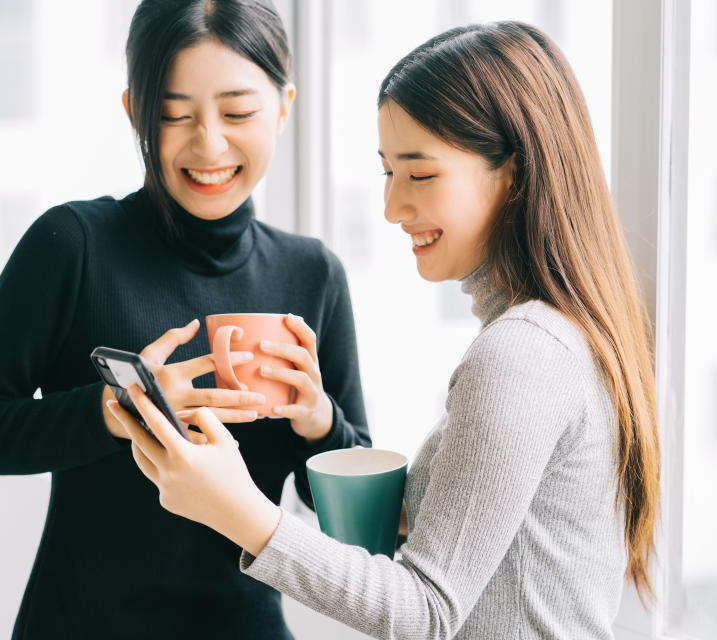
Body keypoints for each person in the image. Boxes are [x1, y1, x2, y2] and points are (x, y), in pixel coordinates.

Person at [111, 20, 661, 640]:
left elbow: (425, 611)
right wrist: (318, 424)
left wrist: (240, 511)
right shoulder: (549, 337)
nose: (392, 207)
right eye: (387, 172)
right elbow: (457, 535)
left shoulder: (522, 354)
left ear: (514, 172)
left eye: (420, 175)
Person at [0, 1, 370, 638]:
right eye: (173, 114)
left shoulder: (314, 274)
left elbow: (348, 525)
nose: (210, 143)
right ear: (135, 110)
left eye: (239, 111)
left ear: (283, 106)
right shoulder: (73, 244)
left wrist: (321, 423)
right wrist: (116, 411)